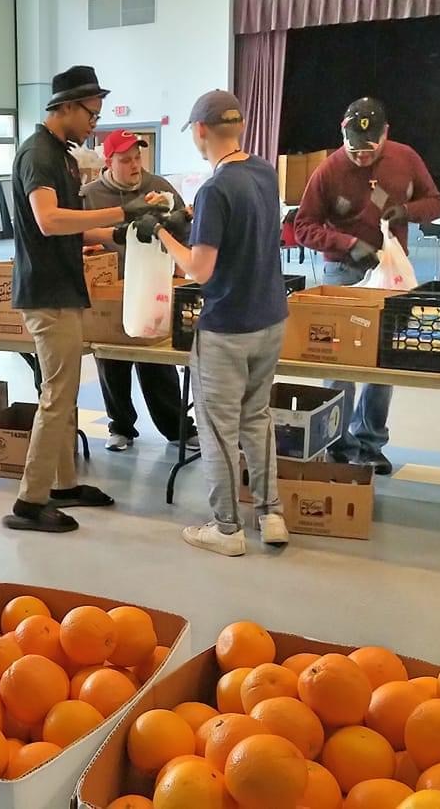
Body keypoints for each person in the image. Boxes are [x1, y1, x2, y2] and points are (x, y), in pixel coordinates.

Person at [3, 65, 169, 533]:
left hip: (64, 286)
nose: (95, 122)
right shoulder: (38, 154)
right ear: (67, 107)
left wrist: (126, 230)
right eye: (91, 113)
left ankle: (62, 485)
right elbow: (49, 221)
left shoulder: (63, 156)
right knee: (57, 396)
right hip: (46, 292)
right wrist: (121, 209)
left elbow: (74, 228)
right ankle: (29, 502)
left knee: (65, 393)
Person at [155, 90, 290, 557]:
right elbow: (244, 228)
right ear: (241, 126)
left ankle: (227, 528)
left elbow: (199, 269)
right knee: (257, 417)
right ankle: (271, 514)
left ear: (200, 131)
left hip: (228, 327)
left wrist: (163, 233)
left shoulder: (214, 190)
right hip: (270, 317)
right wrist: (192, 220)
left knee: (217, 430)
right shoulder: (264, 172)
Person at [294, 97, 440, 474]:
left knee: (381, 360)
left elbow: (435, 203)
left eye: (369, 150)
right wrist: (346, 244)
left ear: (385, 134)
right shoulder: (329, 170)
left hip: (390, 271)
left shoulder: (405, 158)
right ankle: (336, 441)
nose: (361, 157)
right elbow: (303, 227)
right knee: (338, 361)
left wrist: (406, 211)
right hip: (344, 273)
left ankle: (370, 443)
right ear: (342, 135)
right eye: (354, 150)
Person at [79, 129, 197, 453]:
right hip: (110, 292)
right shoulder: (88, 196)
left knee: (157, 361)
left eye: (137, 158)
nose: (135, 166)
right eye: (125, 160)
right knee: (111, 362)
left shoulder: (160, 188)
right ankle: (120, 427)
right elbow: (74, 235)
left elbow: (186, 230)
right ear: (108, 162)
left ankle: (177, 428)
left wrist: (179, 264)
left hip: (153, 288)